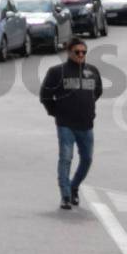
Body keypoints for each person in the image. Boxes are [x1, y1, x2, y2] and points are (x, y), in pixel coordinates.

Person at [40, 36, 103, 210]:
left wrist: (87, 108)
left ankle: (74, 186)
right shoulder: (57, 72)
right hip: (65, 124)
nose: (81, 55)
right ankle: (65, 196)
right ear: (69, 52)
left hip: (86, 124)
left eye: (84, 52)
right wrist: (55, 111)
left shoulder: (92, 71)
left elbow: (97, 92)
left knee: (87, 159)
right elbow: (45, 95)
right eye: (77, 52)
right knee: (66, 158)